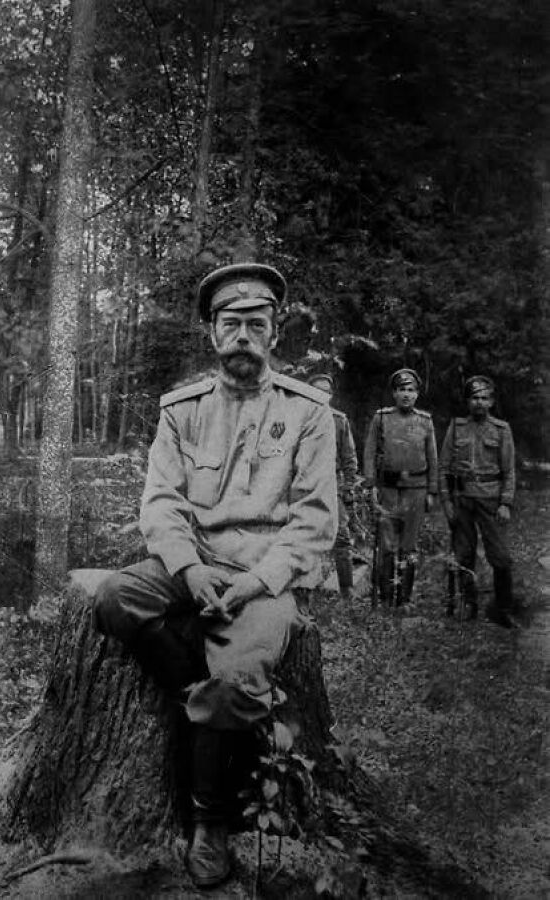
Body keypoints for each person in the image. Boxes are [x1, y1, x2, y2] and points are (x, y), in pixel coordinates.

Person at [93, 262, 337, 888]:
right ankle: (194, 694)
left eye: (257, 325)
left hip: (265, 576)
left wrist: (256, 583)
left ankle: (211, 820)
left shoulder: (309, 413)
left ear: (274, 334)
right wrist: (190, 568)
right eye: (231, 325)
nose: (243, 338)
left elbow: (314, 520)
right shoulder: (182, 411)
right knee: (117, 597)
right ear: (212, 334)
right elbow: (162, 503)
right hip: (194, 563)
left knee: (234, 684)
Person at [438, 375, 518, 628]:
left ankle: (503, 608)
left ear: (492, 401)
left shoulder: (501, 430)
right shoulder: (457, 427)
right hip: (462, 500)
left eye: (484, 398)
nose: (479, 403)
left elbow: (509, 471)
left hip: (490, 500)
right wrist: (448, 504)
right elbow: (444, 468)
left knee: (501, 557)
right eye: (474, 398)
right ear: (467, 401)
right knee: (464, 553)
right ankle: (468, 603)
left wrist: (505, 502)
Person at [363, 368, 437, 606]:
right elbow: (369, 452)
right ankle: (385, 597)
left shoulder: (425, 421)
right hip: (388, 490)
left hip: (416, 490)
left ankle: (404, 599)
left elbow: (433, 458)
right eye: (402, 390)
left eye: (411, 390)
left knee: (409, 546)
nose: (407, 395)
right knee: (386, 546)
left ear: (417, 394)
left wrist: (432, 491)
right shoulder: (381, 418)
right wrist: (371, 484)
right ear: (394, 393)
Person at [309, 373, 359, 600]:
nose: (321, 395)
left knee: (341, 536)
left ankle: (347, 588)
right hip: (306, 484)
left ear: (331, 395)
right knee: (306, 534)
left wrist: (348, 486)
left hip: (333, 483)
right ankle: (308, 585)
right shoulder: (299, 419)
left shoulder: (339, 420)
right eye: (317, 390)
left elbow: (349, 458)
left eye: (326, 392)